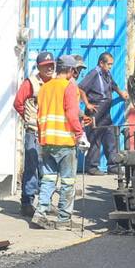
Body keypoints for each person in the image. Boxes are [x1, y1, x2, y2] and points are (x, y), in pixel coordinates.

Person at [33, 55, 86, 229]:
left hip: (47, 141)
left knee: (48, 179)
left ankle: (40, 213)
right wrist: (80, 133)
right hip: (65, 141)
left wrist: (42, 138)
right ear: (71, 70)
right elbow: (71, 114)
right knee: (68, 182)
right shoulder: (69, 87)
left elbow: (40, 115)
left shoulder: (45, 88)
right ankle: (64, 219)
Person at [13, 51, 57, 217]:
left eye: (51, 65)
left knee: (49, 168)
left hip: (51, 132)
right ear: (39, 67)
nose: (50, 68)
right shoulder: (31, 83)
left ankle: (46, 202)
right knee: (32, 166)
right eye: (46, 66)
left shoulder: (55, 83)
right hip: (34, 132)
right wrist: (29, 118)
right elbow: (18, 103)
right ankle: (27, 202)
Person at [79, 52, 130, 175]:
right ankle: (92, 167)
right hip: (95, 110)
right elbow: (80, 88)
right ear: (101, 63)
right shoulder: (94, 73)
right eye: (109, 64)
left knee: (110, 136)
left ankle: (113, 165)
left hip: (106, 110)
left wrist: (121, 93)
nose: (110, 67)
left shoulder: (107, 73)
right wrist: (87, 104)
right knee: (95, 137)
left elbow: (113, 85)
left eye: (112, 64)